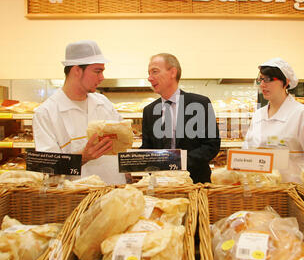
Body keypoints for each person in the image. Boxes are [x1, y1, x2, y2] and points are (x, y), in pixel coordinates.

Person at [32, 40, 127, 185]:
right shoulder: (46, 113)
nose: (102, 77)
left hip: (114, 192)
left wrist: (127, 173)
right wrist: (83, 157)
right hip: (75, 199)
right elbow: (48, 169)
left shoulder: (103, 103)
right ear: (76, 70)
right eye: (97, 71)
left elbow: (121, 146)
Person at [242, 57, 304, 183]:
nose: (262, 84)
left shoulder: (302, 114)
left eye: (268, 79)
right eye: (260, 80)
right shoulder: (258, 115)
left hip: (294, 191)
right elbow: (247, 152)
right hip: (261, 190)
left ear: (286, 82)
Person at [140, 53, 221, 183]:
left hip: (195, 182)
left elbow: (211, 145)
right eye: (148, 73)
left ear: (172, 72)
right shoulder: (149, 111)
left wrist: (178, 162)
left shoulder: (200, 103)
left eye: (154, 72)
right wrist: (132, 159)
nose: (149, 78)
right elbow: (147, 147)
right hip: (161, 184)